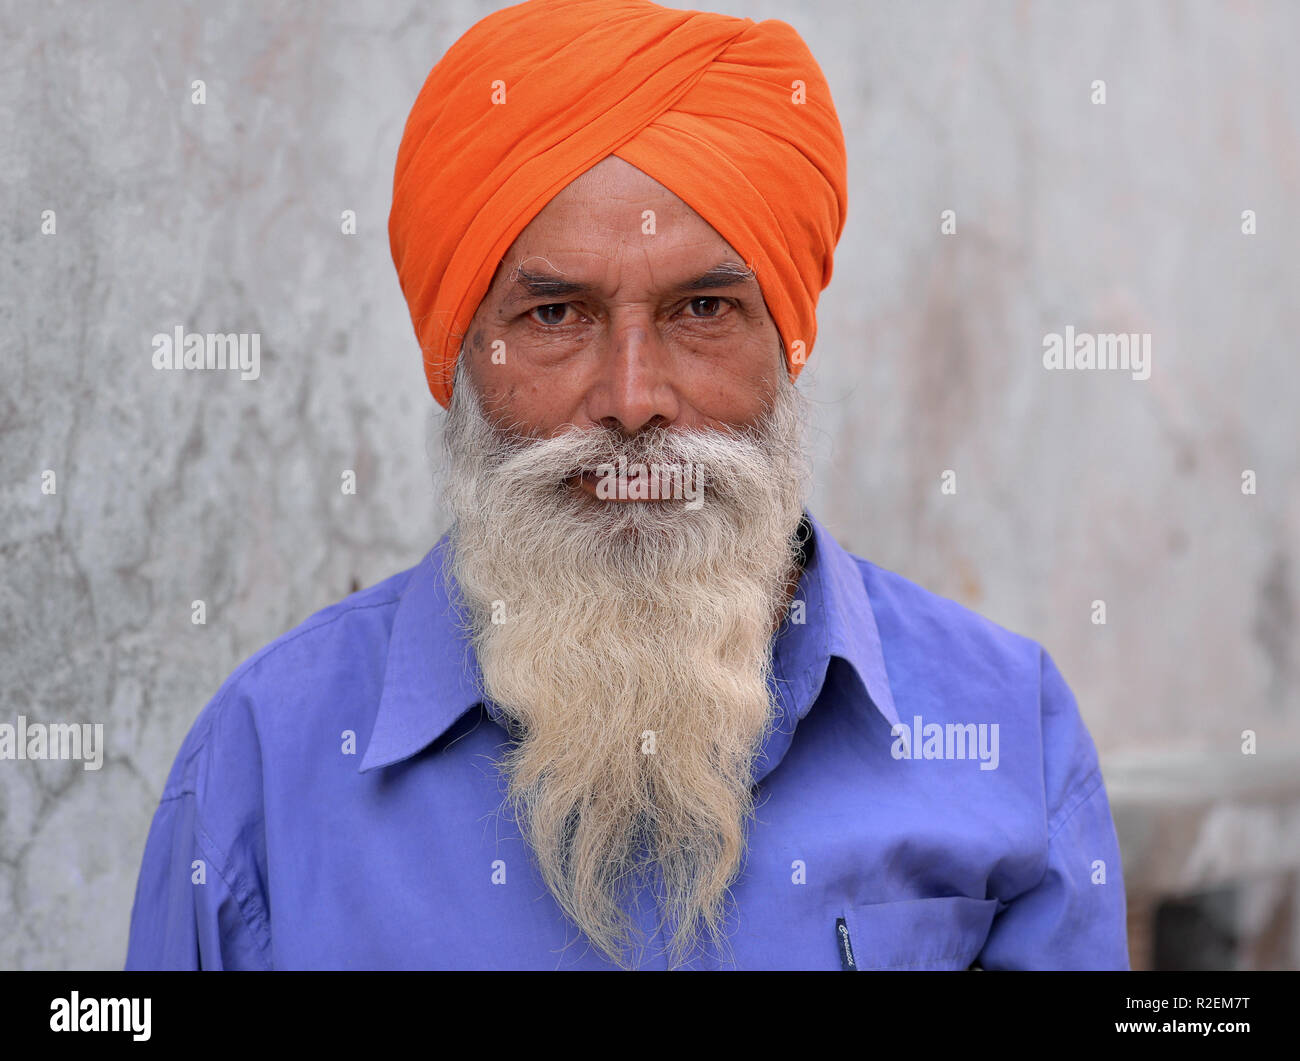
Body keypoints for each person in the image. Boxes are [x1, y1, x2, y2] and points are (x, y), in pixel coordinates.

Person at [125, 0, 1128, 970]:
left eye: (702, 307)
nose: (633, 398)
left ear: (786, 342)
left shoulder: (1004, 725)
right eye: (556, 314)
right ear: (463, 351)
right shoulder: (267, 764)